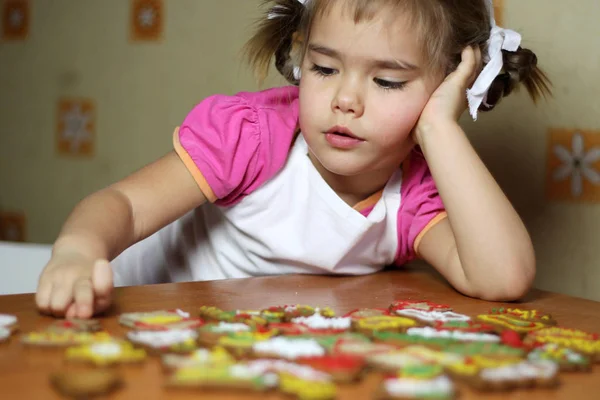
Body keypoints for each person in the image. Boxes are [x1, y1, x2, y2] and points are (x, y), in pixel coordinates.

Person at [36, 0, 551, 319]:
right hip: (133, 303)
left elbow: (501, 279)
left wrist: (440, 126)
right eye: (325, 68)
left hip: (255, 345)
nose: (345, 99)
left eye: (387, 80)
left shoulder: (415, 189)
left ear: (448, 87)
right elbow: (123, 203)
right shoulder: (253, 137)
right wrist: (79, 252)